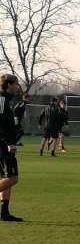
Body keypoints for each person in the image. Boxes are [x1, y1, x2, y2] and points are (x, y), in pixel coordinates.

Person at [0, 74, 23, 222]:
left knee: (5, 177)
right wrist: (10, 143)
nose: (18, 86)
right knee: (13, 178)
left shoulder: (6, 100)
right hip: (3, 146)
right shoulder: (2, 100)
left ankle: (4, 213)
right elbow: (1, 124)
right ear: (8, 85)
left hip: (5, 144)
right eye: (16, 84)